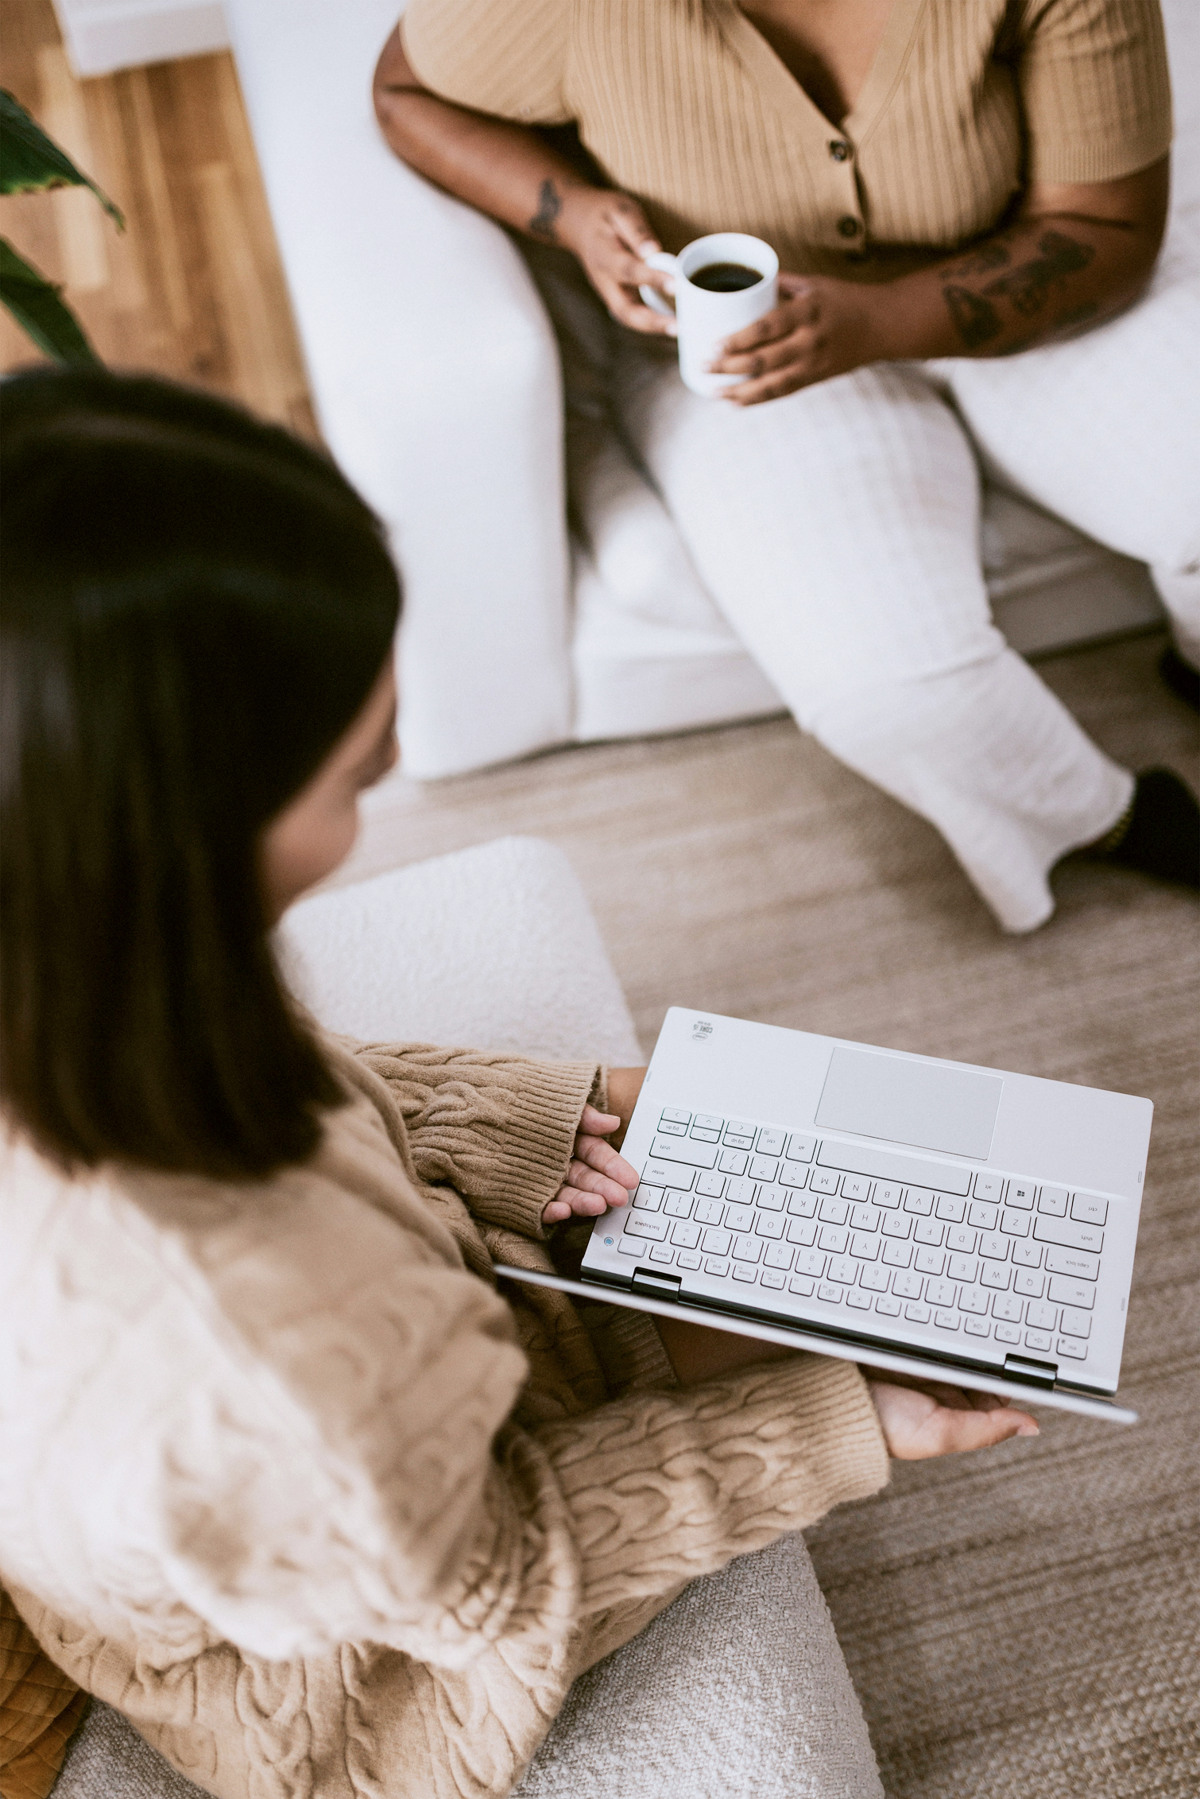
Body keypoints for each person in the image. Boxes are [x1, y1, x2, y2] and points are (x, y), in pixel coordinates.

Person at [0, 369, 1037, 1799]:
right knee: (910, 1277)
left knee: (743, 1140)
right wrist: (843, 1423)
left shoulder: (76, 946)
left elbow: (298, 1070)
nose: (398, 760)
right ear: (174, 833)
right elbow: (502, 1574)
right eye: (354, 771)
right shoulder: (251, 1346)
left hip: (324, 1421)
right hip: (366, 1671)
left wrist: (510, 1121)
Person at [373, 0, 1200, 932]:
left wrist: (877, 322)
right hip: (741, 351)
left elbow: (1108, 226)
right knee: (887, 690)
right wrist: (568, 211)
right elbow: (404, 89)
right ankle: (1110, 817)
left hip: (1024, 270)